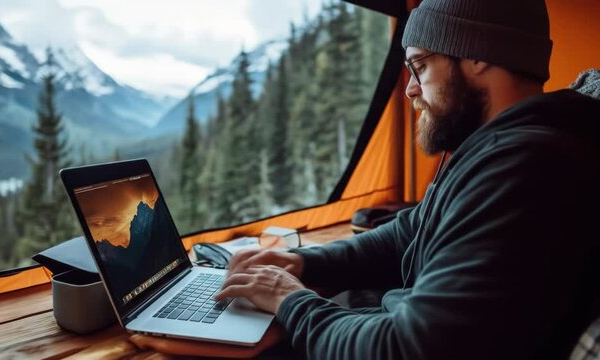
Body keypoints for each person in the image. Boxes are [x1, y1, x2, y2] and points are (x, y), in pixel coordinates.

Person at [215, 0, 600, 358]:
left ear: (478, 54)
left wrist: (290, 301)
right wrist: (302, 263)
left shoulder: (527, 168)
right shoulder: (501, 147)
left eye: (420, 66)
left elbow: (407, 348)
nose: (411, 89)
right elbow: (410, 232)